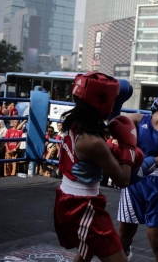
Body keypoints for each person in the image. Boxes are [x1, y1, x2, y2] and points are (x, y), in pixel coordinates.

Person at [53, 72, 141, 262]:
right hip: (82, 206)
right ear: (103, 101)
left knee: (85, 253)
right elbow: (123, 180)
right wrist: (128, 147)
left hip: (68, 198)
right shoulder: (93, 142)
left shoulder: (73, 122)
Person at [118, 91, 158, 262]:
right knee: (123, 235)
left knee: (156, 240)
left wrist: (138, 170)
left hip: (157, 182)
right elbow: (116, 127)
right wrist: (115, 106)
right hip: (134, 182)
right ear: (156, 101)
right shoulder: (138, 119)